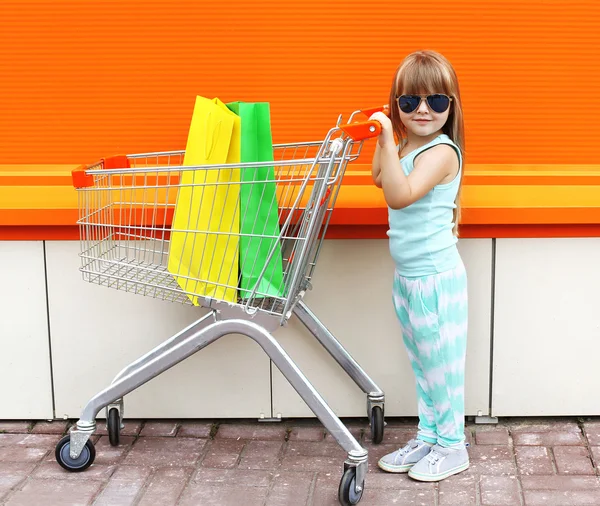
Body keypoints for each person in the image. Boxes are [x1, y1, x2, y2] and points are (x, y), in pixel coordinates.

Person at [370, 50, 469, 482]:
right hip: (409, 279)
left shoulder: (442, 153)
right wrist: (385, 137)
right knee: (423, 366)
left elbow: (399, 194)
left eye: (436, 101)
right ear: (397, 105)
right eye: (409, 102)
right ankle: (430, 435)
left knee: (442, 367)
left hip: (435, 283)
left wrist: (392, 137)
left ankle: (453, 446)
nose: (423, 110)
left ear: (452, 106)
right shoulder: (410, 145)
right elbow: (378, 176)